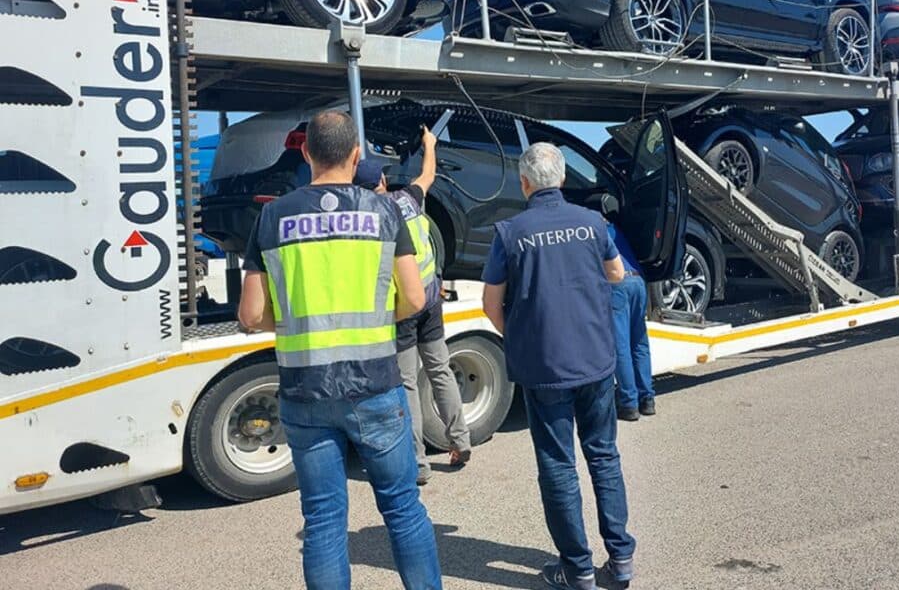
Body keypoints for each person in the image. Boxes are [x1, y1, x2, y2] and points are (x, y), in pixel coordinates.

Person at [238, 110, 443, 590]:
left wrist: (295, 323)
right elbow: (415, 298)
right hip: (375, 384)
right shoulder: (386, 211)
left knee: (325, 521)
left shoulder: (272, 216)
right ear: (356, 156)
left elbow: (250, 315)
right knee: (403, 509)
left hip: (305, 391)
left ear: (305, 153)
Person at [481, 142, 636, 590]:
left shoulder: (511, 232)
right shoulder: (592, 223)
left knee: (558, 465)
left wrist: (524, 333)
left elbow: (492, 305)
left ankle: (578, 569)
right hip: (595, 360)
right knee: (604, 456)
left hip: (544, 366)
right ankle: (621, 560)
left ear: (524, 183)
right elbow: (616, 275)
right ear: (563, 179)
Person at [354, 126, 472, 486]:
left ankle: (418, 464)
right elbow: (428, 174)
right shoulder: (408, 199)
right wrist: (429, 145)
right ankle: (461, 441)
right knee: (440, 369)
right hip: (430, 297)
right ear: (384, 180)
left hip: (401, 306)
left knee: (406, 383)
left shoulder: (365, 220)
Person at [606, 222, 656, 422]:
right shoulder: (614, 228)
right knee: (639, 343)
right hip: (638, 281)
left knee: (621, 347)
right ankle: (648, 399)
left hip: (617, 285)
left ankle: (628, 404)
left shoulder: (589, 232)